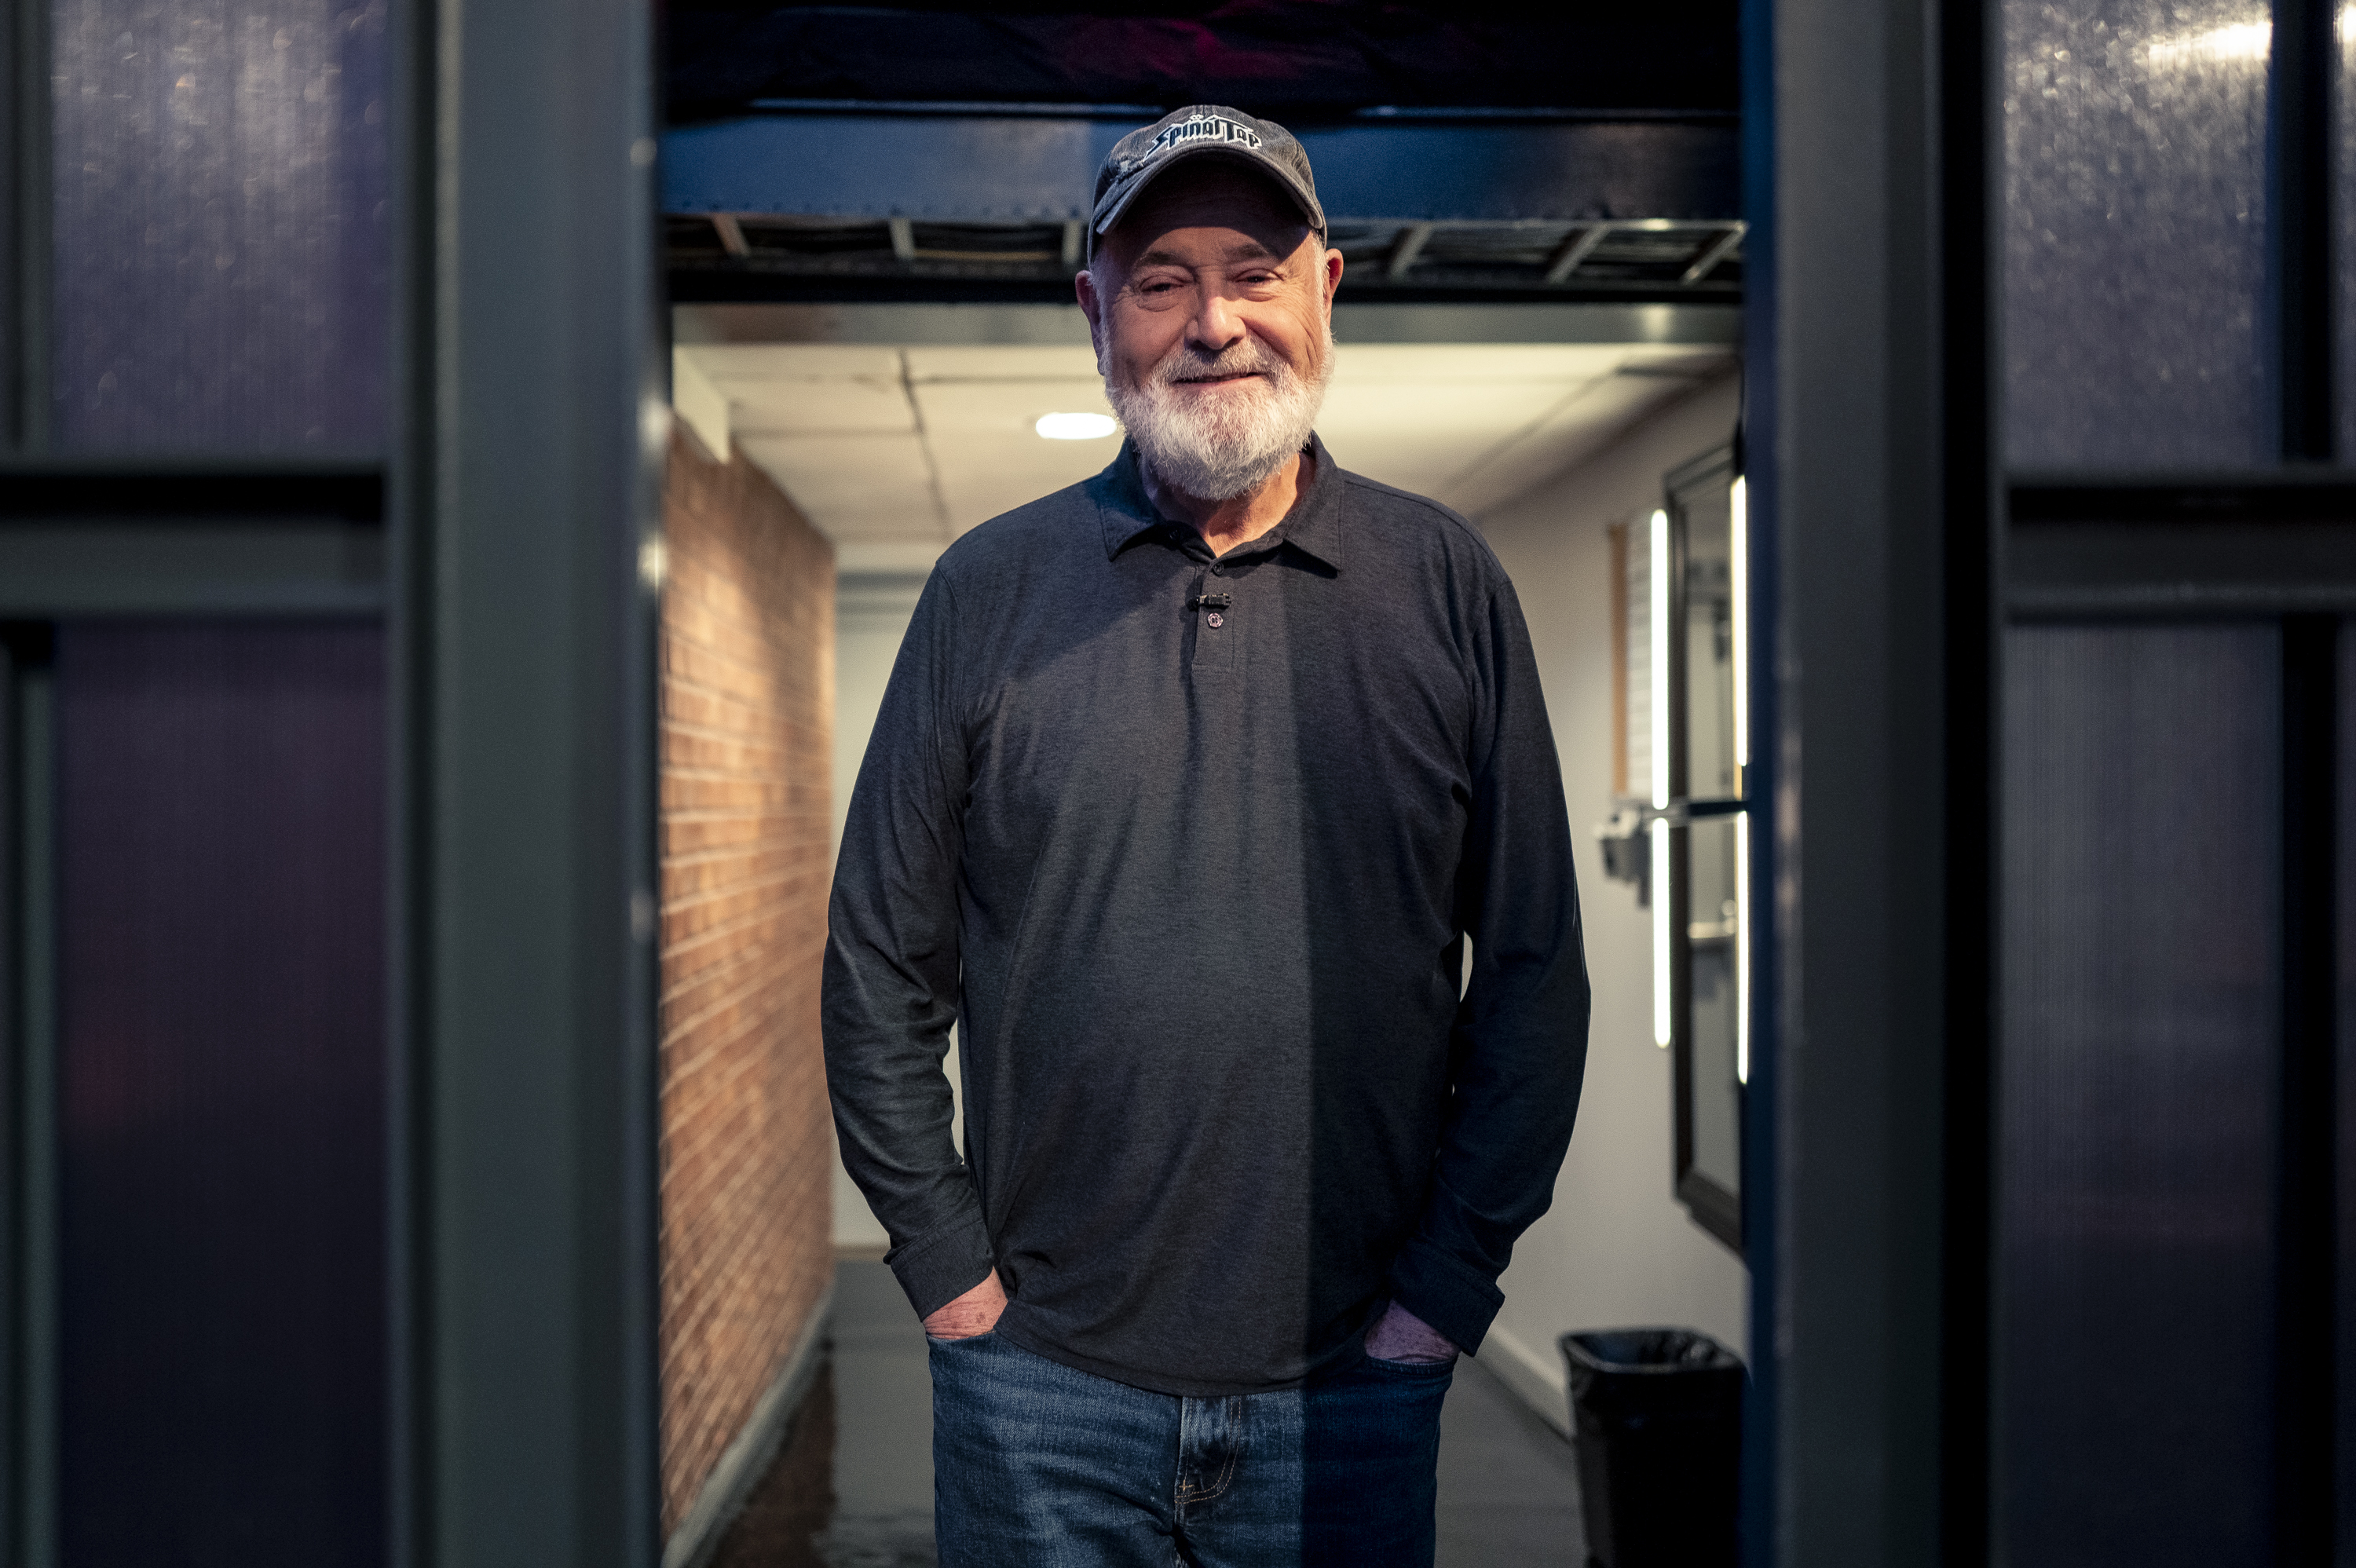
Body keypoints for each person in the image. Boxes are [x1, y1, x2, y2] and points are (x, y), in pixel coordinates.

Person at [822, 104, 1590, 1567]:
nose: (1214, 322)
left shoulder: (1446, 588)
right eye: (1162, 278)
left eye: (1253, 268)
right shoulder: (986, 592)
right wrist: (951, 1283)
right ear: (1095, 315)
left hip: (1351, 1393)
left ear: (1327, 291)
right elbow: (877, 974)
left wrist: (1443, 1295)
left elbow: (1536, 977)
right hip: (1038, 1392)